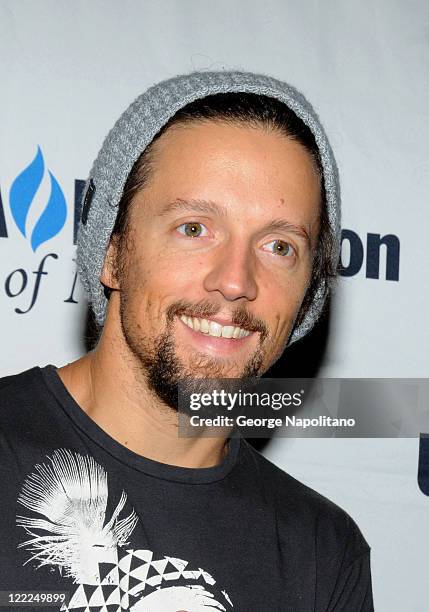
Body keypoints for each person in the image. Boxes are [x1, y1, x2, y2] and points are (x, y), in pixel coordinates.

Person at [0, 71, 373, 611]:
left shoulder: (323, 552)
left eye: (279, 246)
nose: (236, 280)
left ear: (308, 295)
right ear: (111, 251)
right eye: (194, 228)